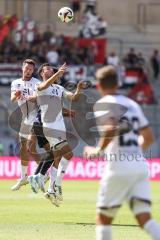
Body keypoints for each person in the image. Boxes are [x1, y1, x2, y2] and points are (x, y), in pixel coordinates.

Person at [84, 65, 160, 240]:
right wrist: (132, 152)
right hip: (139, 166)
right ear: (118, 84)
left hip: (118, 167)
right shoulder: (132, 104)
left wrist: (97, 150)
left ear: (99, 86)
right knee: (145, 219)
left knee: (103, 219)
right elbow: (148, 137)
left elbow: (111, 128)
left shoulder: (104, 103)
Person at [28, 63, 85, 205]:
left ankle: (50, 189)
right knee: (69, 154)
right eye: (47, 69)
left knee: (58, 157)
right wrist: (57, 74)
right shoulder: (40, 87)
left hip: (60, 127)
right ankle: (56, 184)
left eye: (52, 69)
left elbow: (74, 98)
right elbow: (43, 86)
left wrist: (78, 89)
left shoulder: (59, 88)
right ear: (41, 73)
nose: (51, 70)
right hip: (50, 126)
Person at [10, 59, 41, 190]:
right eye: (26, 68)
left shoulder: (37, 83)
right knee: (25, 148)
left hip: (37, 117)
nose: (28, 71)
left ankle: (44, 173)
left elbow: (39, 98)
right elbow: (12, 99)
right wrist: (16, 95)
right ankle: (23, 177)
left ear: (33, 71)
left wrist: (32, 97)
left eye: (31, 69)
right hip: (25, 118)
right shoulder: (16, 83)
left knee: (29, 146)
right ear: (22, 68)